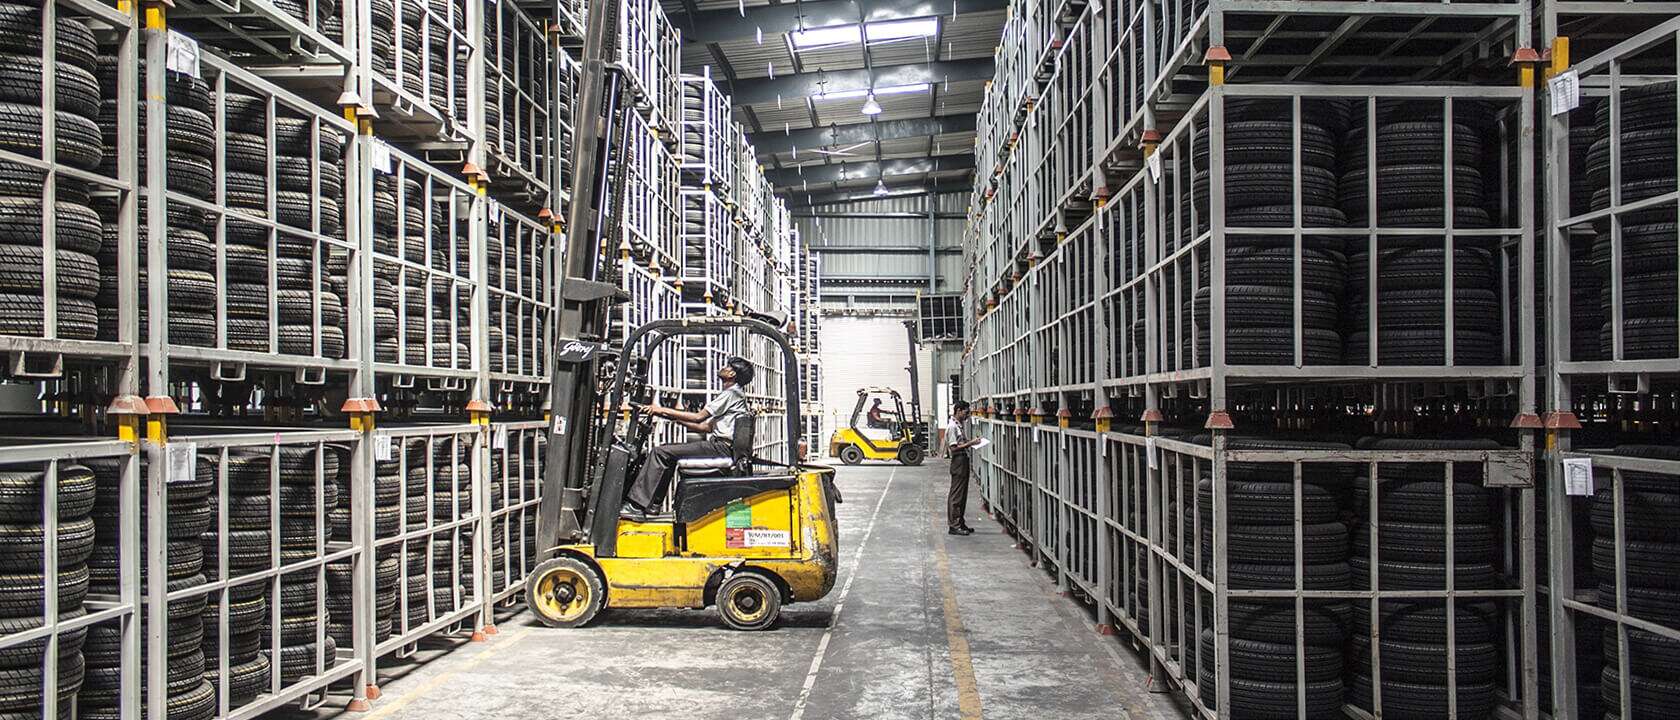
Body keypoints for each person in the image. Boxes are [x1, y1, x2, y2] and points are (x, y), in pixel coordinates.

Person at [622, 357, 754, 518]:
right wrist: (673, 418)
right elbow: (705, 427)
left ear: (732, 373)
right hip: (720, 446)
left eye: (727, 366)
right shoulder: (735, 395)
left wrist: (661, 410)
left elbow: (699, 417)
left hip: (720, 448)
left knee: (659, 452)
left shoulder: (731, 393)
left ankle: (636, 506)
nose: (723, 367)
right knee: (667, 453)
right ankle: (653, 505)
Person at [945, 401, 981, 535]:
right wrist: (971, 443)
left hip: (963, 460)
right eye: (966, 412)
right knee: (956, 494)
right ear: (959, 410)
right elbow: (953, 448)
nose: (967, 416)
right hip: (958, 460)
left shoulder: (959, 425)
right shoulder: (952, 427)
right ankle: (954, 525)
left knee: (962, 494)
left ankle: (960, 522)